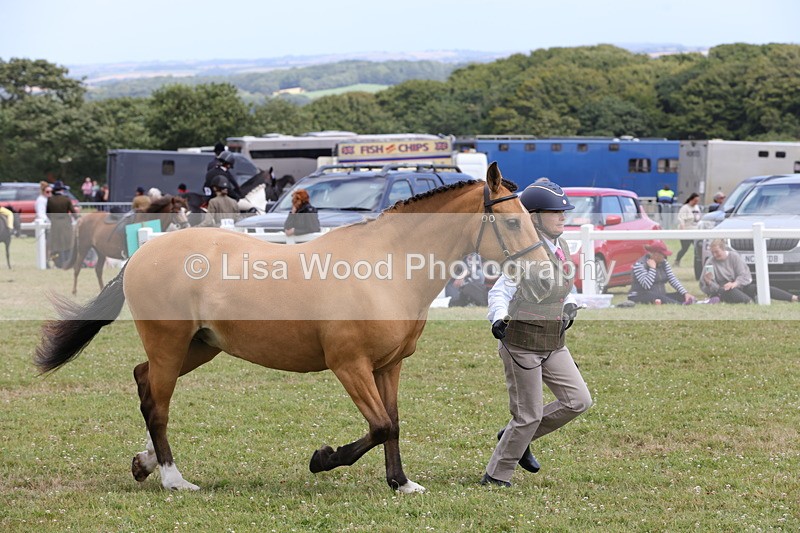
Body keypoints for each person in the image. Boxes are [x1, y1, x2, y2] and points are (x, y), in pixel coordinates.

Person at [481, 180, 592, 488]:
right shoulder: (525, 251)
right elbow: (500, 291)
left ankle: (513, 436)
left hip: (554, 340)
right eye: (555, 212)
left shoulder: (563, 246)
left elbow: (563, 285)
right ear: (534, 216)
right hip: (521, 342)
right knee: (527, 415)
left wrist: (570, 304)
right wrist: (498, 318)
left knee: (578, 401)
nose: (563, 217)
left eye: (563, 211)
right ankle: (496, 475)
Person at [700, 239, 798, 304]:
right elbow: (710, 288)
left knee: (757, 287)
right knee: (728, 289)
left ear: (723, 249)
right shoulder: (710, 262)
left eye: (717, 252)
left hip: (740, 286)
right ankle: (750, 302)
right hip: (723, 290)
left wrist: (735, 283)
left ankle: (794, 298)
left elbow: (744, 275)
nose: (715, 255)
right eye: (713, 252)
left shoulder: (734, 257)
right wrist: (708, 282)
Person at [628, 241, 696, 305]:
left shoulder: (664, 263)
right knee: (660, 297)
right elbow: (646, 285)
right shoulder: (640, 265)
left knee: (680, 296)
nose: (665, 257)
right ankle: (681, 304)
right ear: (655, 254)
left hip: (660, 295)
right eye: (663, 255)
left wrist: (685, 293)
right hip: (639, 295)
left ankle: (688, 300)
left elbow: (672, 279)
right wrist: (652, 269)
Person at [46, 182, 76, 268]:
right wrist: (78, 218)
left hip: (55, 223)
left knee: (57, 243)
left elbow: (48, 213)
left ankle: (58, 262)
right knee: (67, 243)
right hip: (66, 223)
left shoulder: (50, 200)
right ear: (62, 190)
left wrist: (53, 219)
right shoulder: (66, 199)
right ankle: (68, 261)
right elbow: (73, 211)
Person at [674, 192, 701, 267]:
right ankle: (677, 261)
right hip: (686, 230)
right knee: (685, 248)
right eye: (695, 200)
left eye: (697, 201)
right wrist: (683, 231)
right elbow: (681, 219)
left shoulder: (697, 207)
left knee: (697, 248)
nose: (696, 202)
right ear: (691, 199)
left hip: (695, 232)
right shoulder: (685, 208)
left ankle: (698, 264)